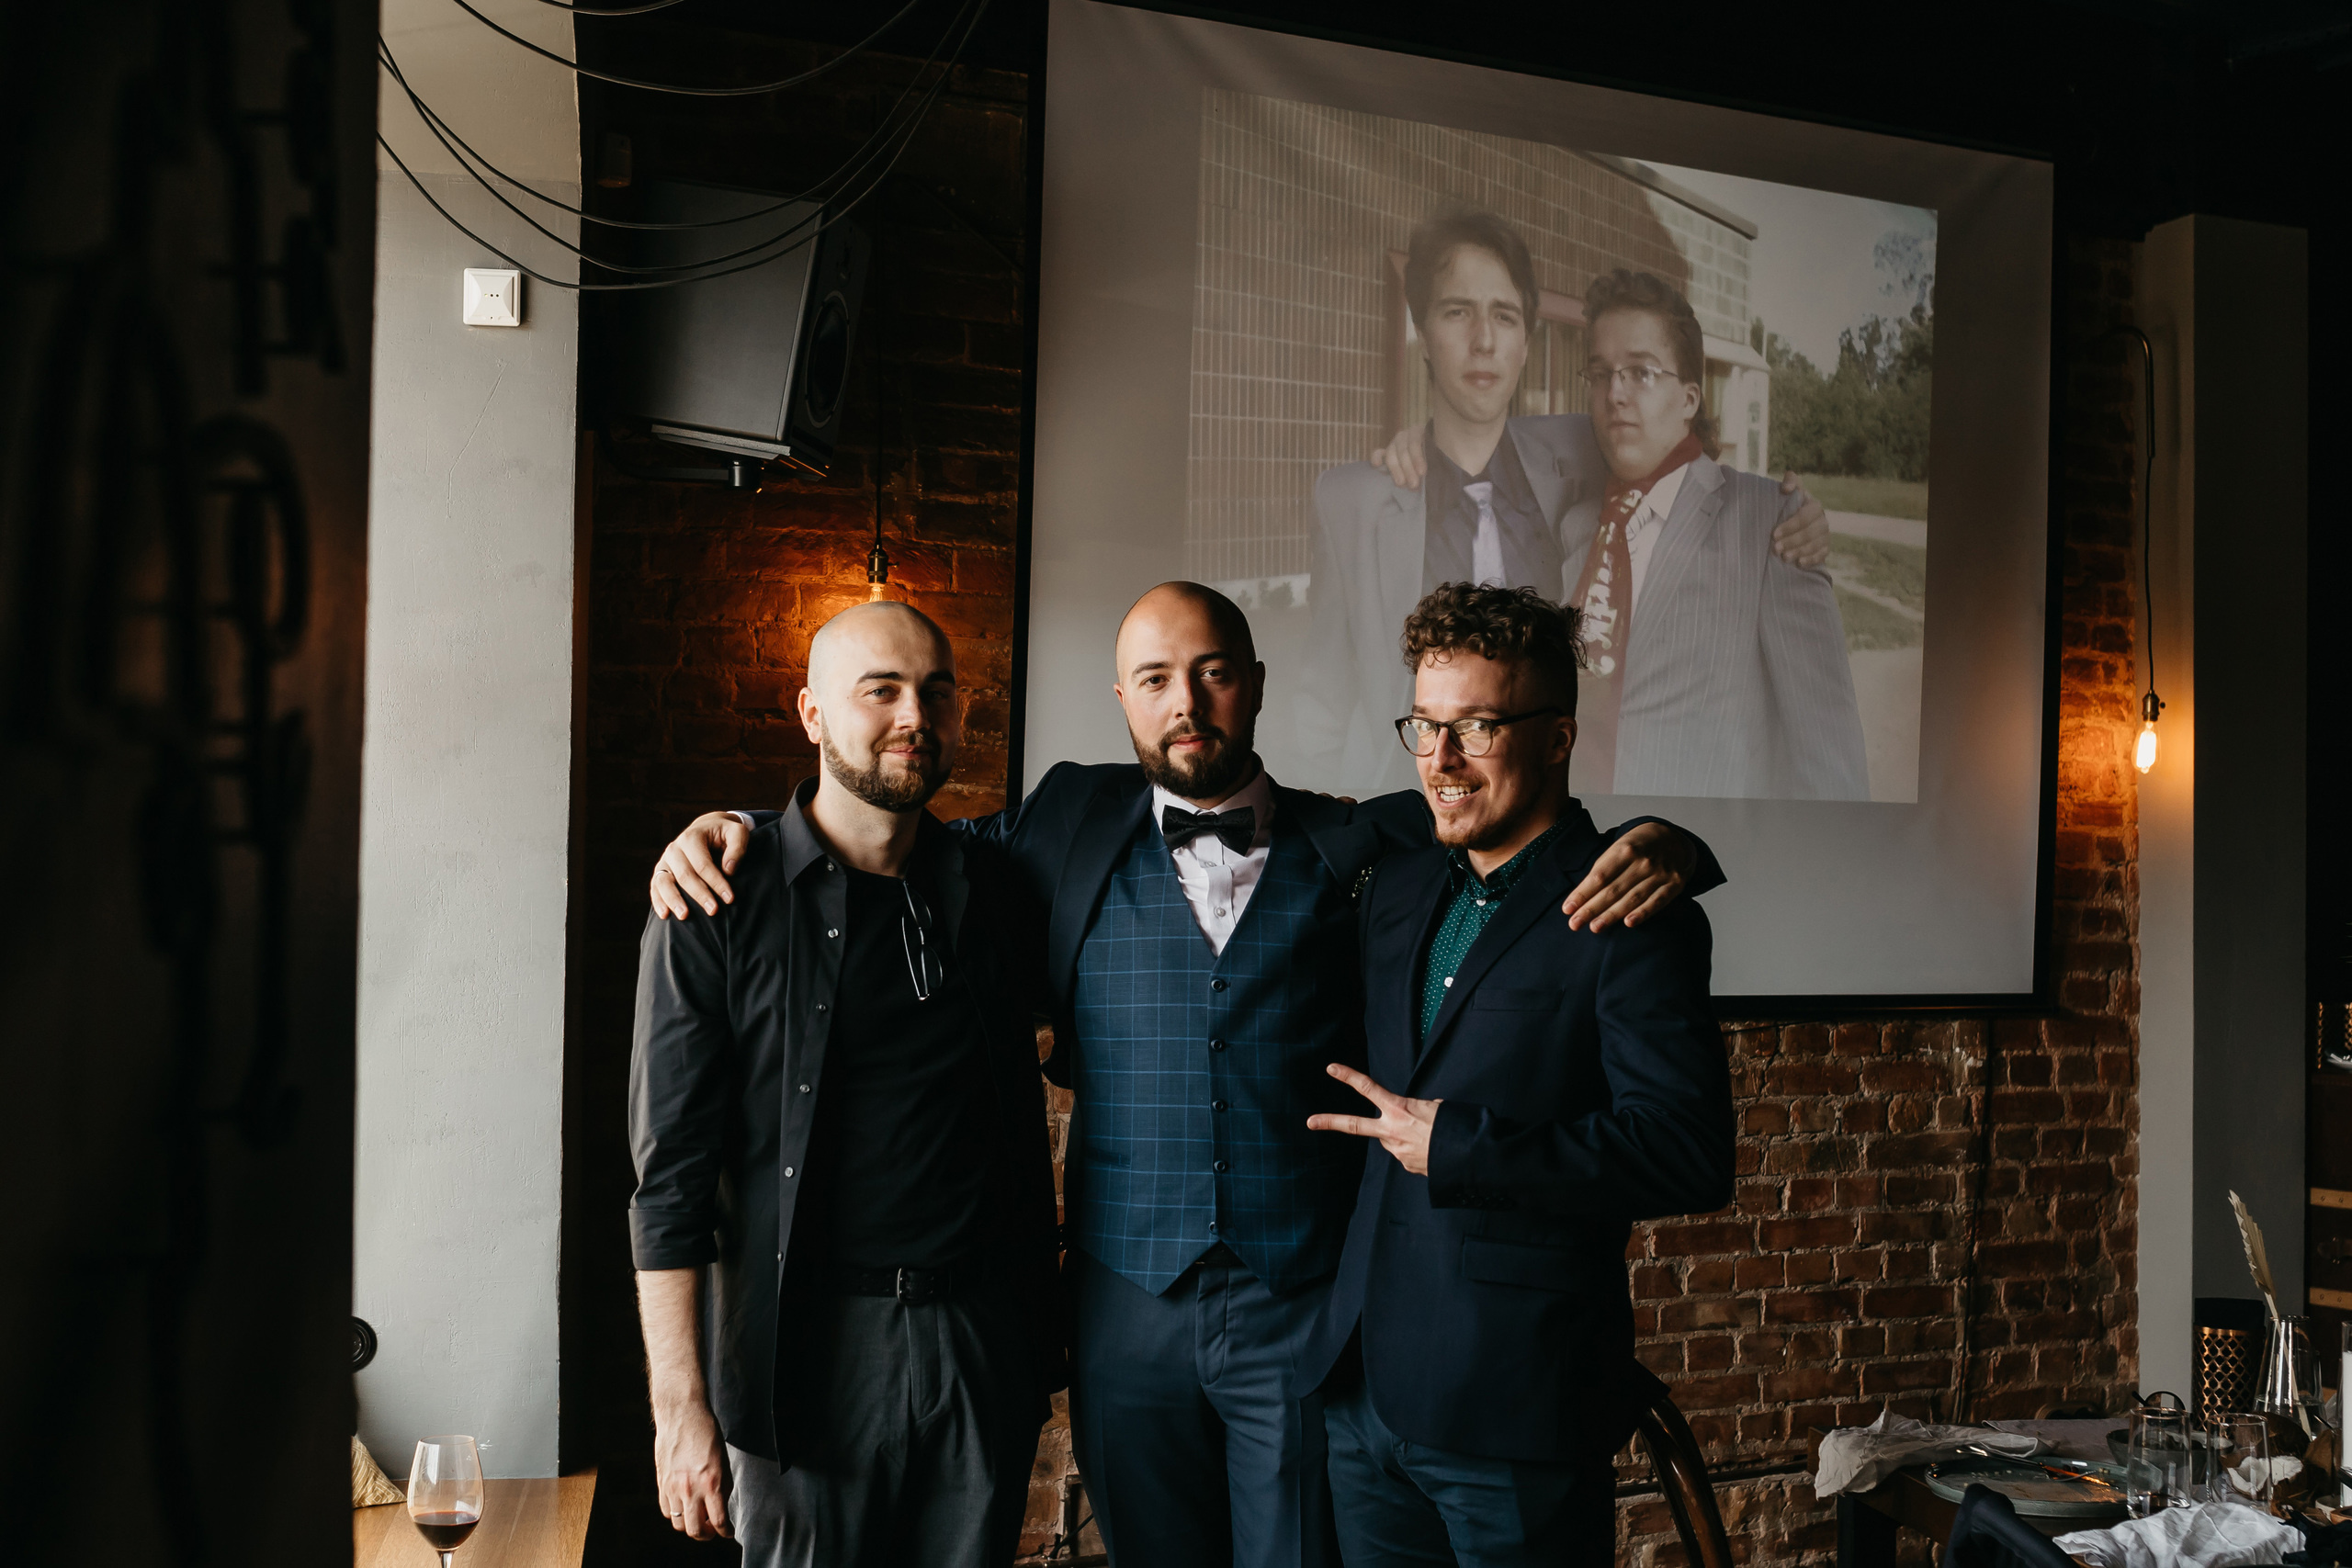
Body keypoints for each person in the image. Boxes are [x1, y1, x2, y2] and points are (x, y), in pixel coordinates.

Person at [645, 582, 1723, 1568]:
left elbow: (1516, 824)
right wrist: (738, 827)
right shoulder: (1057, 828)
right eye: (1155, 679)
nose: (1186, 701)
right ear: (1122, 697)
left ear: (1252, 687)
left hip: (1298, 1311)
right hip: (1124, 1306)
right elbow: (880, 829)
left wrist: (1669, 842)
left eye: (1211, 672)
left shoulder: (1365, 843)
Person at [1300, 581, 1736, 1566]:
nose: (1441, 761)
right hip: (1363, 1388)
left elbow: (1686, 1155)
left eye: (1478, 727)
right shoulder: (1400, 879)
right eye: (1425, 725)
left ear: (1557, 736)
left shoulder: (1631, 912)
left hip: (1517, 1404)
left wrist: (1457, 1146)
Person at [628, 601, 1064, 1568]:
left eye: (937, 692)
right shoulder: (715, 903)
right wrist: (679, 1410)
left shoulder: (994, 887)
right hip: (805, 1355)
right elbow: (670, 1188)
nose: (916, 714)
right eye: (882, 691)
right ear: (811, 714)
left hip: (977, 1344)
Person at [1301, 209, 1830, 796]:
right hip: (1414, 818)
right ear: (1422, 333)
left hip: (1553, 820)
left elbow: (1680, 454)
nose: (1483, 341)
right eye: (1457, 312)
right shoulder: (1357, 501)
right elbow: (1318, 704)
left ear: (1526, 342)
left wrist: (1793, 512)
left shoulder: (1580, 449)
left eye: (1503, 317)